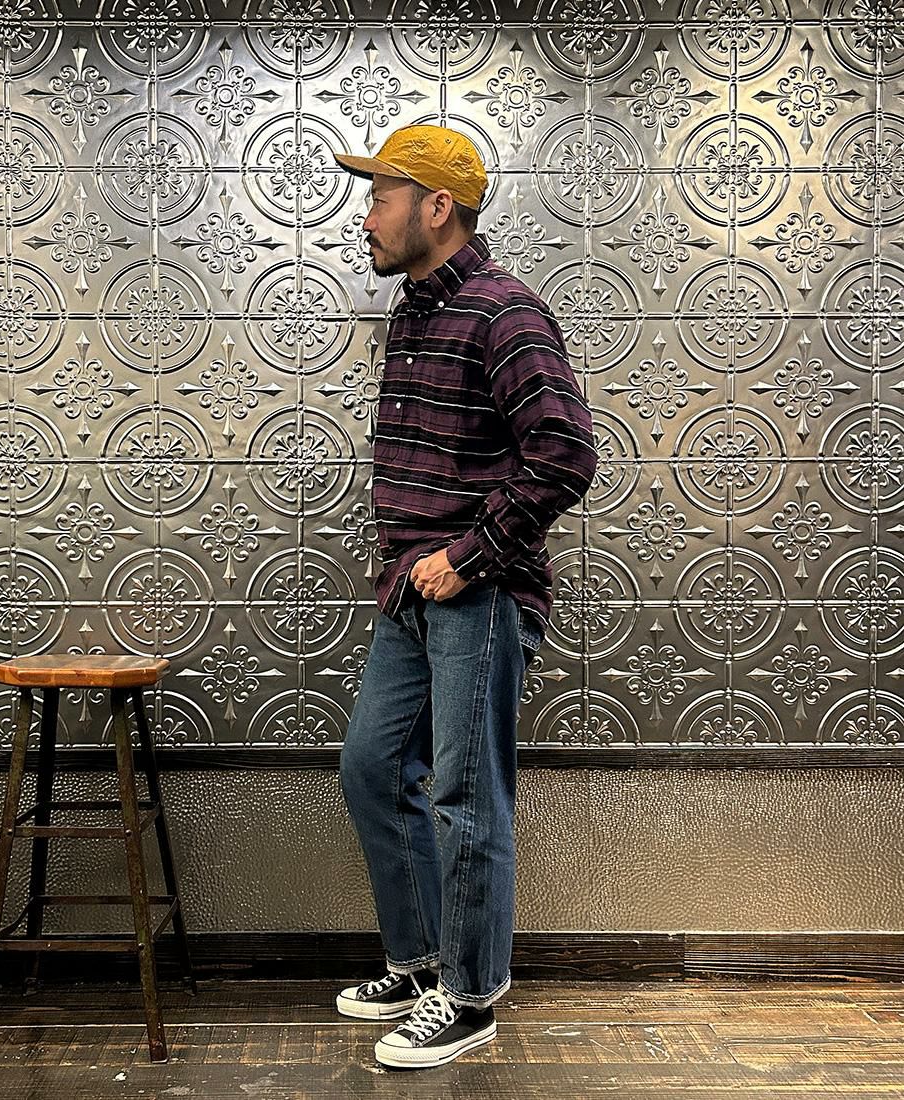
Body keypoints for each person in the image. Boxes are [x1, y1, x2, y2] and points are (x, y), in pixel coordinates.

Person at [331, 124, 599, 1069]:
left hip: (477, 596)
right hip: (410, 591)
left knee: (465, 796)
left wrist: (470, 556)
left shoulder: (504, 312)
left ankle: (472, 996)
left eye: (380, 198)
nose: (366, 217)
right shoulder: (412, 313)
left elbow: (566, 455)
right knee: (372, 770)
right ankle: (419, 965)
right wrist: (420, 566)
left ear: (437, 206)